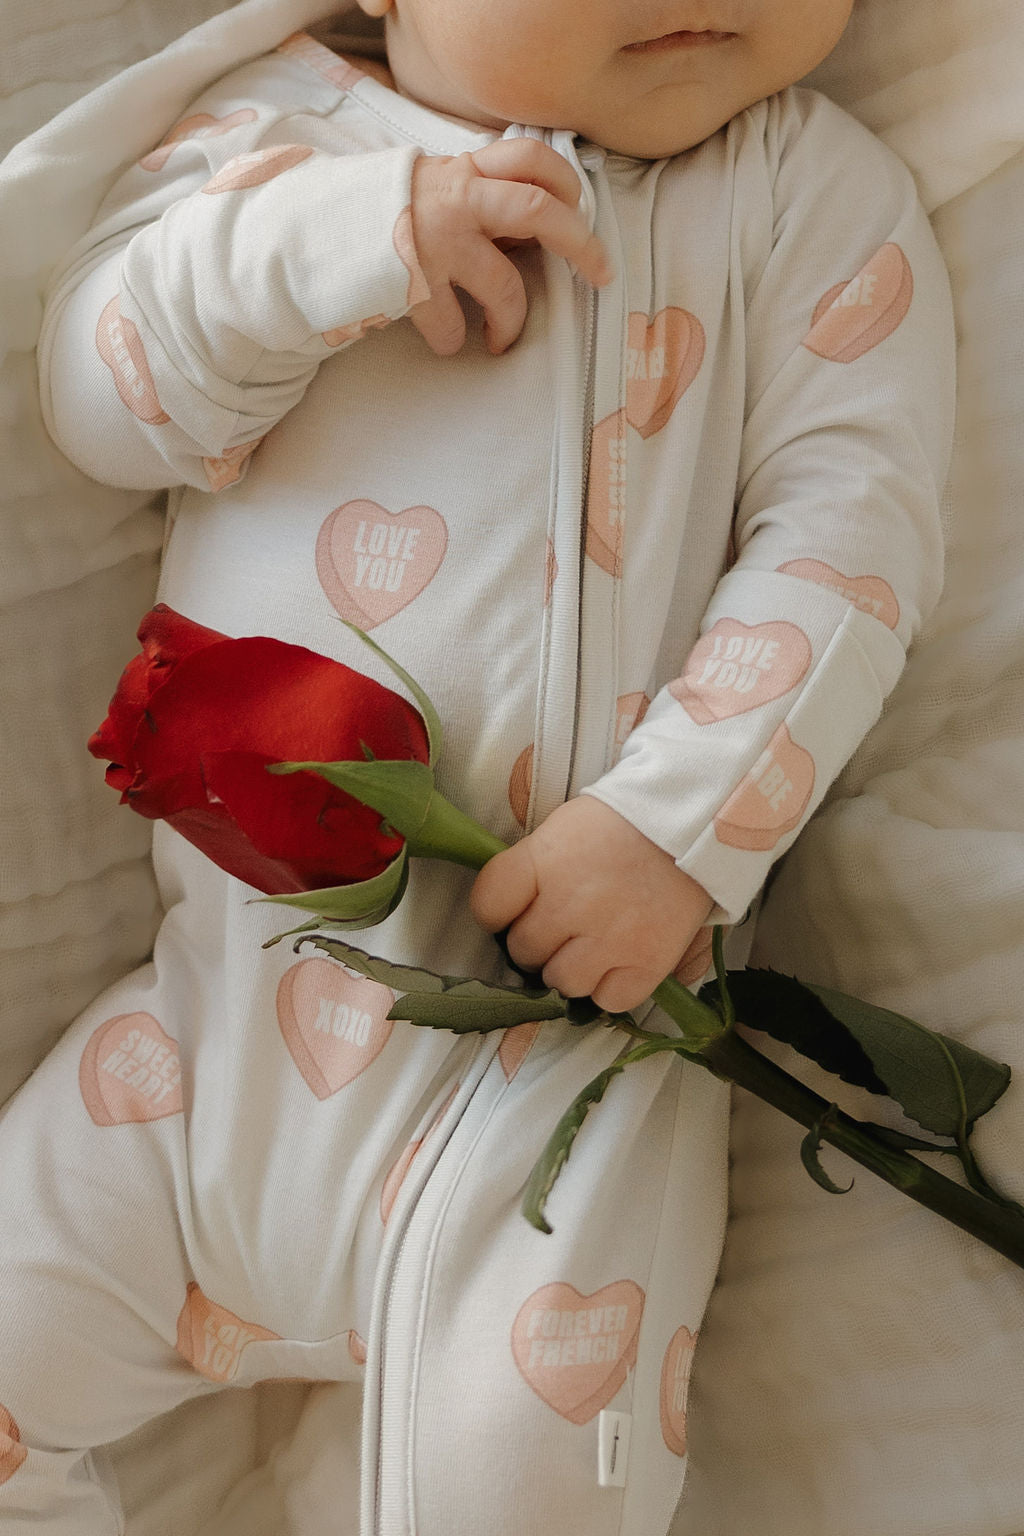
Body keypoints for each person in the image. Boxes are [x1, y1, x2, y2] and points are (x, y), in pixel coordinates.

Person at [3, 0, 953, 1531]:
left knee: (524, 1487)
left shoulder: (807, 189)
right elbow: (103, 402)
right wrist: (333, 246)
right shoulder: (284, 137)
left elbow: (853, 538)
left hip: (570, 1084)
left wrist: (676, 831)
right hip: (214, 1049)